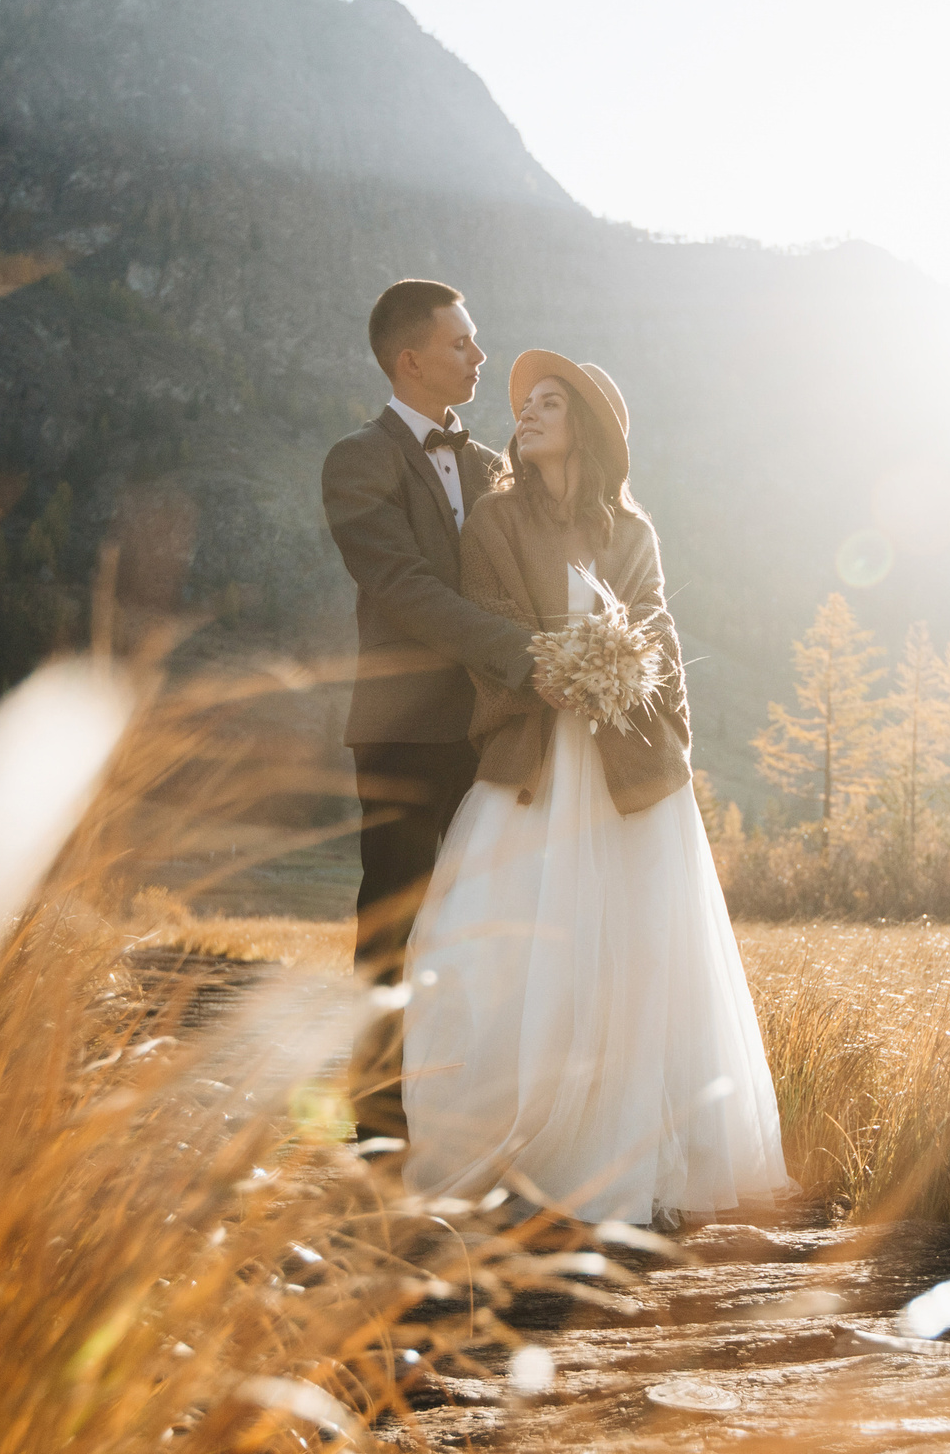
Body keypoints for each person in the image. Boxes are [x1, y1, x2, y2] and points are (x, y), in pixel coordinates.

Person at [398, 350, 795, 1229]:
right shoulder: (496, 520)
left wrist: (628, 680)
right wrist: (550, 667)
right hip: (535, 762)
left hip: (625, 771)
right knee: (500, 955)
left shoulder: (633, 533)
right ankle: (514, 1151)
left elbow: (657, 632)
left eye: (550, 402)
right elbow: (489, 622)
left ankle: (625, 1157)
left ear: (587, 426)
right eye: (526, 403)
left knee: (637, 961)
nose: (528, 413)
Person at [322, 280, 536, 1141]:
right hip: (404, 732)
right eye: (461, 343)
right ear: (409, 360)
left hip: (494, 731)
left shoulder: (492, 466)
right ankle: (379, 1119)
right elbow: (403, 586)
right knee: (395, 922)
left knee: (490, 919)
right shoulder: (357, 460)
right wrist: (519, 650)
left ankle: (473, 1107)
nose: (480, 356)